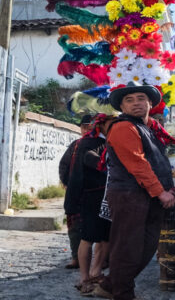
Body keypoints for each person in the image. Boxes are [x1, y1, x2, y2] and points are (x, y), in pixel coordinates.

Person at [93, 81, 175, 300]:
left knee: (145, 248)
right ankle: (123, 294)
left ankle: (110, 285)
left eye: (141, 98)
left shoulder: (147, 128)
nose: (136, 103)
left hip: (146, 196)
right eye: (129, 100)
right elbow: (137, 164)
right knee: (127, 249)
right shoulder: (123, 127)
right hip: (129, 195)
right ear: (122, 107)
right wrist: (161, 192)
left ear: (150, 103)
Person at [66, 113, 115, 295]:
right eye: (111, 124)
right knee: (87, 238)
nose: (114, 127)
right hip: (90, 197)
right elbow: (89, 160)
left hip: (107, 196)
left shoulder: (110, 141)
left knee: (106, 238)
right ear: (101, 125)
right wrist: (102, 162)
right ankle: (84, 278)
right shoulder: (88, 143)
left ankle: (96, 272)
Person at [60, 114, 93, 269]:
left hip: (95, 193)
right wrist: (68, 184)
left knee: (96, 228)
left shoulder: (103, 143)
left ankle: (101, 259)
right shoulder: (75, 145)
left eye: (90, 126)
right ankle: (76, 257)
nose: (87, 129)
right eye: (84, 126)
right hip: (76, 193)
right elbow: (64, 166)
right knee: (74, 228)